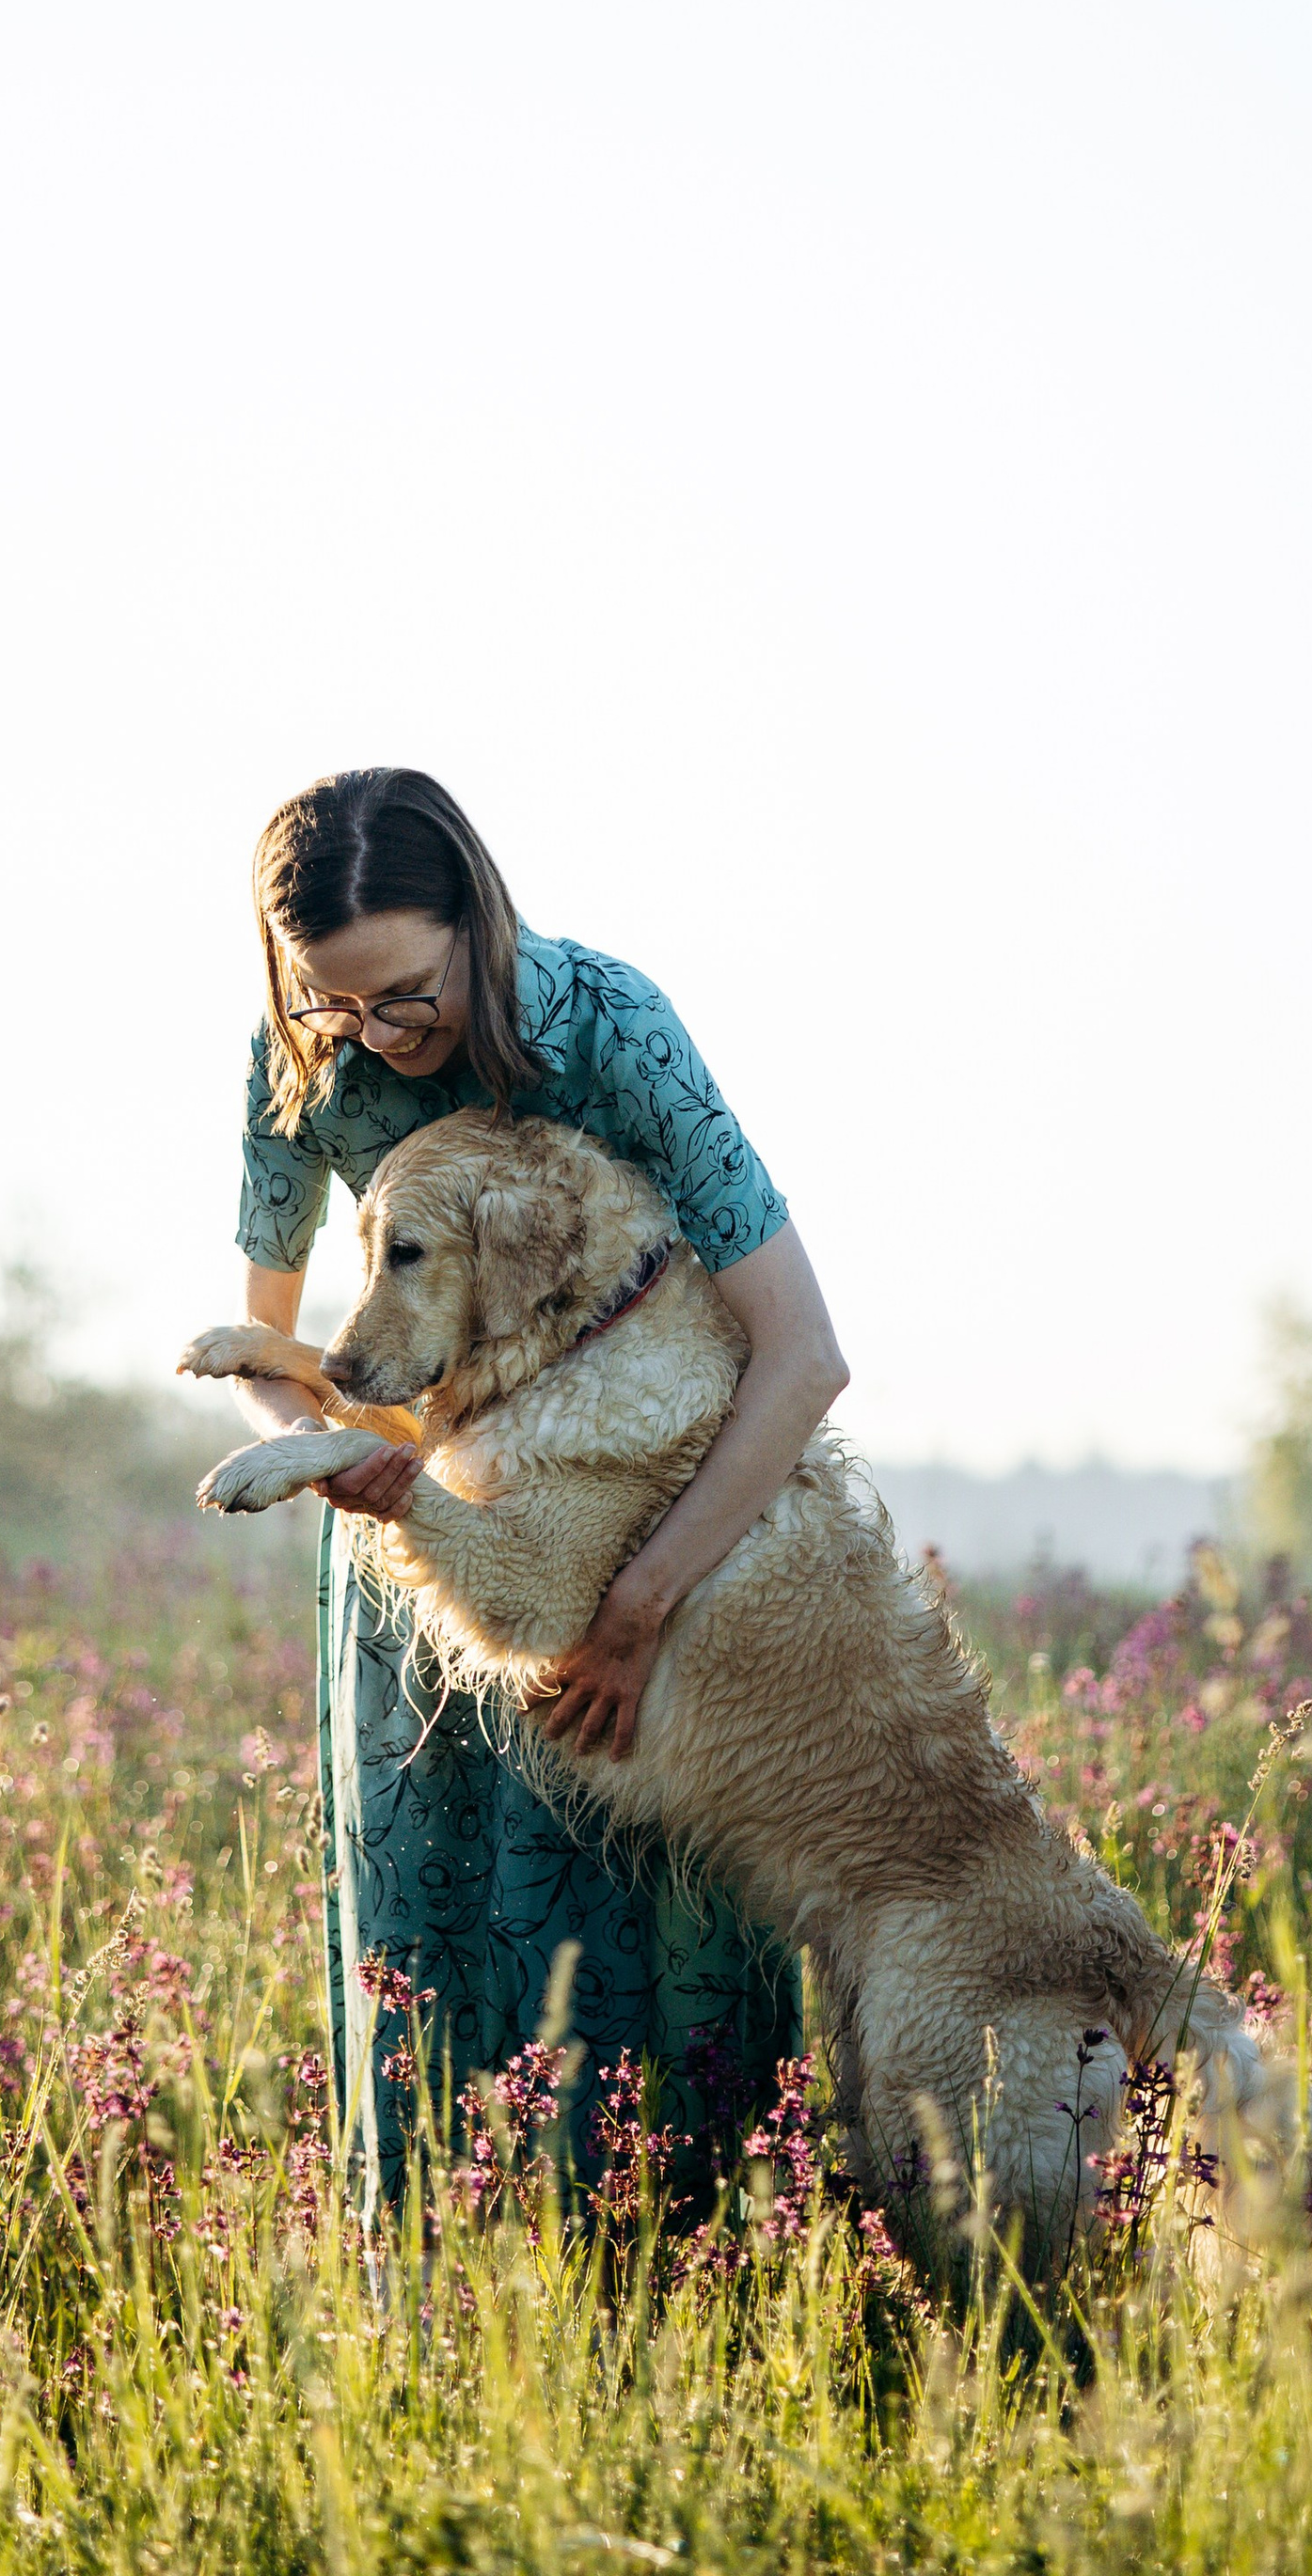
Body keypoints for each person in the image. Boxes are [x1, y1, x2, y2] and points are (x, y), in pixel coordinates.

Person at [213, 764, 849, 2209]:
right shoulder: (296, 1061)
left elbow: (802, 1355)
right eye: (335, 1003)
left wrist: (636, 1607)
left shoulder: (615, 1026)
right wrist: (340, 1452)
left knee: (656, 1977)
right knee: (430, 1966)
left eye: (405, 996)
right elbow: (279, 1349)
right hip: (421, 1568)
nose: (373, 1035)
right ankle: (449, 2357)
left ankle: (698, 2315)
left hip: (654, 1551)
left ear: (477, 921)